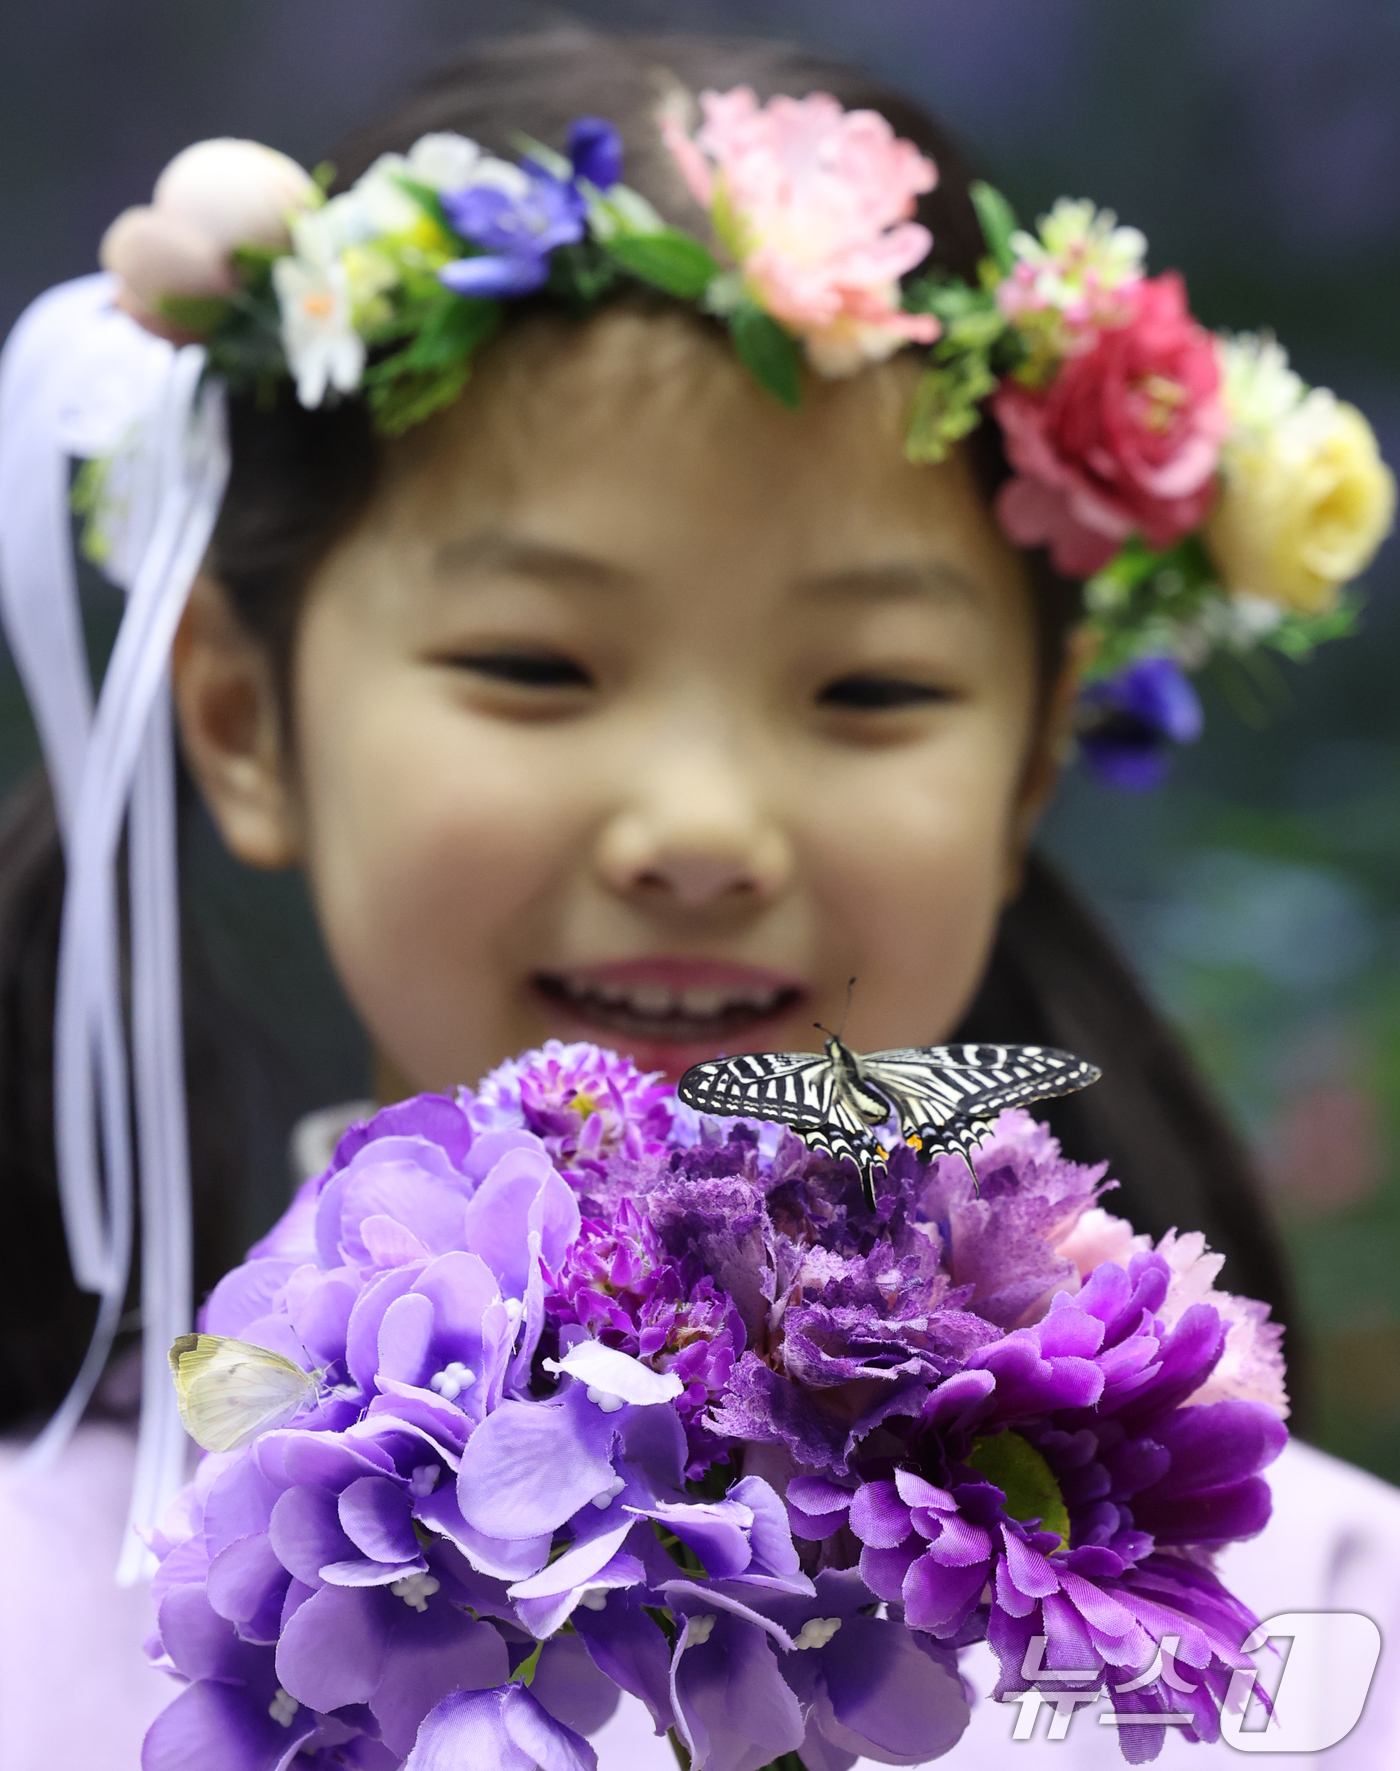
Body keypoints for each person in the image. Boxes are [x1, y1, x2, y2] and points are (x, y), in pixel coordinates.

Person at [1, 25, 1397, 1771]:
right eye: (533, 663)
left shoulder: (1325, 1643)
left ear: (1036, 759)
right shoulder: (26, 1610)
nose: (702, 827)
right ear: (239, 719)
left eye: (871, 691)